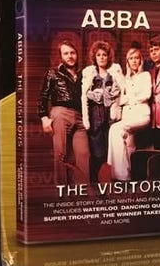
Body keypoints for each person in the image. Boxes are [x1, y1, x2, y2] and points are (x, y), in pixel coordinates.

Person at [37, 39, 90, 185]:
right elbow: (43, 96)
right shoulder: (53, 73)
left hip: (80, 116)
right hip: (60, 113)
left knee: (83, 155)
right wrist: (44, 117)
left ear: (77, 54)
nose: (70, 56)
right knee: (61, 154)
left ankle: (82, 191)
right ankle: (61, 190)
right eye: (66, 53)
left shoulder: (84, 74)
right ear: (60, 56)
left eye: (72, 53)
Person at [81, 40, 124, 183]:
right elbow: (84, 95)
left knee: (110, 153)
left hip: (111, 115)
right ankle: (96, 185)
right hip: (95, 117)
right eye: (98, 55)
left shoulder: (115, 73)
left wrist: (108, 94)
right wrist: (95, 95)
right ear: (94, 57)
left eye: (104, 55)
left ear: (108, 56)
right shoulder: (90, 74)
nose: (101, 57)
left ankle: (110, 184)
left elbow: (121, 91)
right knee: (97, 153)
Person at [107, 46, 152, 180]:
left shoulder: (145, 75)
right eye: (131, 58)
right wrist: (127, 99)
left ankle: (121, 174)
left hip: (142, 115)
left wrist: (128, 99)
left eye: (136, 58)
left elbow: (146, 94)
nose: (134, 61)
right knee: (128, 145)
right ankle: (127, 177)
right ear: (127, 61)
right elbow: (120, 99)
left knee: (114, 129)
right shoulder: (125, 79)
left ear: (140, 60)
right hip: (128, 116)